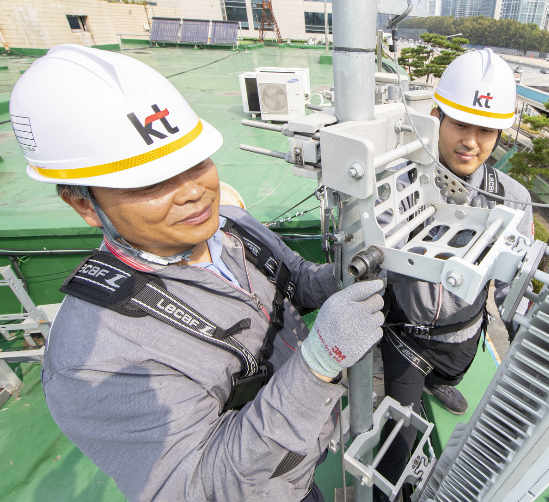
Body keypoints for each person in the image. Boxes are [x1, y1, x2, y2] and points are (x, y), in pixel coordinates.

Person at [11, 45, 385, 502]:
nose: (194, 192)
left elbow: (296, 282)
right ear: (85, 204)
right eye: (150, 181)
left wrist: (345, 278)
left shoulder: (230, 224)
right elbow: (205, 485)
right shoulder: (93, 360)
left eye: (195, 162)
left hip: (304, 456)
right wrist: (318, 363)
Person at [374, 48, 534, 501]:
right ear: (436, 117)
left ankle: (440, 384)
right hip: (405, 335)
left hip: (464, 334)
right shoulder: (394, 186)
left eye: (485, 129)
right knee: (397, 441)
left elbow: (511, 287)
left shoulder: (513, 199)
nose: (471, 141)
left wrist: (531, 329)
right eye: (461, 123)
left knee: (453, 380)